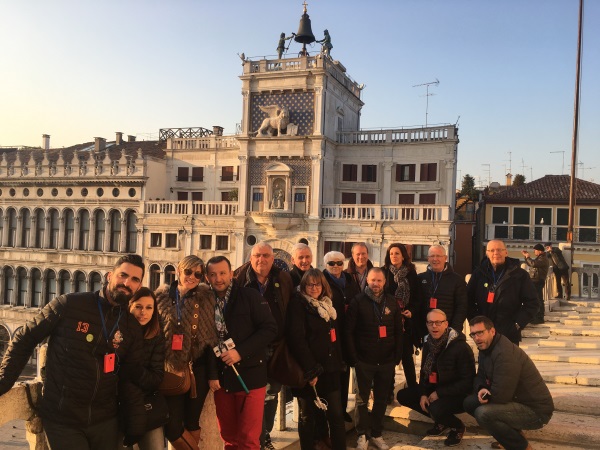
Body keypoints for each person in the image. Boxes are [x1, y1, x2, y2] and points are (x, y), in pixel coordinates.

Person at [0, 254, 146, 449]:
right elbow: (25, 339)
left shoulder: (131, 327)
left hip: (105, 421)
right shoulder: (69, 305)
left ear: (139, 285)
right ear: (110, 276)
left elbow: (131, 377)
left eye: (134, 279)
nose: (127, 283)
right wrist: (3, 381)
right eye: (123, 275)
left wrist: (135, 423)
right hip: (63, 420)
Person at [207, 256, 277, 450]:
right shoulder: (205, 302)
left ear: (231, 274)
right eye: (213, 274)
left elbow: (270, 329)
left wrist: (240, 352)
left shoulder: (250, 296)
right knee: (229, 437)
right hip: (222, 380)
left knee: (249, 440)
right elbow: (208, 342)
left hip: (251, 377)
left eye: (222, 273)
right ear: (207, 277)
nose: (218, 279)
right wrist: (212, 374)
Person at [234, 241, 294, 450]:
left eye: (266, 256)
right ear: (251, 258)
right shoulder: (240, 278)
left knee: (272, 391)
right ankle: (256, 439)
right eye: (258, 255)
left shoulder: (283, 278)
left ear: (273, 258)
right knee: (253, 394)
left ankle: (264, 434)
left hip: (276, 346)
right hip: (250, 348)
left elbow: (290, 306)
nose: (262, 260)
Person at [155, 255, 218, 450]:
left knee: (191, 423)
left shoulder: (206, 298)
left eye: (197, 274)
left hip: (197, 368)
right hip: (170, 368)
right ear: (179, 271)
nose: (192, 277)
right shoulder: (161, 297)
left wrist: (213, 375)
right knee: (172, 426)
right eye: (188, 272)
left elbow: (211, 340)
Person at [464, 316, 554, 450]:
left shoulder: (504, 353)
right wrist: (482, 388)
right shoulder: (485, 347)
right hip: (514, 401)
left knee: (483, 413)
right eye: (473, 334)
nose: (476, 338)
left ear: (492, 331)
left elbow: (501, 396)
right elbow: (480, 375)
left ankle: (522, 446)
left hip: (536, 410)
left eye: (480, 333)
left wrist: (486, 395)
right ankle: (513, 436)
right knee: (469, 403)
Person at [286, 269, 346, 450]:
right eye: (309, 284)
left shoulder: (327, 305)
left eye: (317, 284)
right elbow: (297, 339)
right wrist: (311, 369)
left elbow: (334, 338)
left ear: (323, 286)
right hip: (309, 372)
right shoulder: (298, 305)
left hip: (330, 369)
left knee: (336, 415)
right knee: (307, 417)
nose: (314, 288)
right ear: (303, 286)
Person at [396, 309, 475, 447]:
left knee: (435, 408)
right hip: (435, 389)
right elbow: (424, 375)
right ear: (426, 325)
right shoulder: (428, 344)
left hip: (458, 394)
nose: (434, 326)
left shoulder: (460, 347)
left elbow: (468, 381)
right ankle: (442, 421)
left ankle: (457, 426)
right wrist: (423, 394)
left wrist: (439, 393)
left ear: (446, 324)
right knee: (403, 395)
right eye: (430, 323)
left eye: (438, 322)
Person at [346, 267, 403, 450]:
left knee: (380, 399)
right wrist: (354, 358)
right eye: (372, 280)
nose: (375, 284)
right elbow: (349, 332)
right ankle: (362, 435)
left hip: (386, 360)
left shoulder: (392, 302)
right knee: (362, 399)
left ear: (384, 282)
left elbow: (398, 331)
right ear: (367, 281)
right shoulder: (358, 301)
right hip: (364, 360)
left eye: (379, 281)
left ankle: (377, 434)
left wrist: (397, 356)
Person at [467, 239, 539, 345]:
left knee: (508, 361)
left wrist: (517, 324)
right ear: (487, 253)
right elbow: (467, 300)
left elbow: (533, 303)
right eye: (492, 250)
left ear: (506, 252)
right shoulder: (479, 274)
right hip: (484, 333)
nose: (496, 253)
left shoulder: (519, 274)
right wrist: (476, 323)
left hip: (509, 333)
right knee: (485, 361)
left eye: (499, 250)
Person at [124, 287, 166, 450]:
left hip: (146, 404)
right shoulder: (118, 332)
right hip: (116, 406)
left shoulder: (156, 335)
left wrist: (132, 370)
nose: (143, 312)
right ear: (130, 306)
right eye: (138, 307)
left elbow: (156, 378)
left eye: (149, 307)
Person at [323, 251, 360, 422]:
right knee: (332, 373)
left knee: (345, 372)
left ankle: (343, 409)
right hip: (330, 335)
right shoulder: (322, 281)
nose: (336, 266)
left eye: (339, 263)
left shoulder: (350, 280)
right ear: (326, 265)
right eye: (332, 263)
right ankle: (331, 411)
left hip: (349, 332)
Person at [382, 243, 419, 389]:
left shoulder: (411, 273)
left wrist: (412, 311)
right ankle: (389, 390)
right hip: (388, 321)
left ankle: (412, 387)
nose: (394, 256)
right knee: (389, 356)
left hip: (405, 321)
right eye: (391, 254)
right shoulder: (384, 272)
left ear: (403, 256)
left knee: (406, 356)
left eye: (397, 253)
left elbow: (417, 297)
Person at [416, 245, 468, 339]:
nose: (435, 259)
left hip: (448, 330)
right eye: (432, 256)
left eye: (438, 256)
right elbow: (417, 304)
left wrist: (455, 329)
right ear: (428, 259)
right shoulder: (420, 278)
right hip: (425, 331)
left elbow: (462, 307)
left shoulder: (457, 280)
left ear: (445, 258)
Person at [522, 244, 549, 324]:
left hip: (538, 281)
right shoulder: (540, 258)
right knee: (535, 299)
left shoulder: (543, 258)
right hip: (535, 281)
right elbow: (531, 263)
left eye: (535, 250)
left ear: (540, 251)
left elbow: (533, 264)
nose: (534, 251)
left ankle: (540, 318)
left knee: (539, 299)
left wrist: (528, 257)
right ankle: (535, 317)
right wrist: (526, 257)